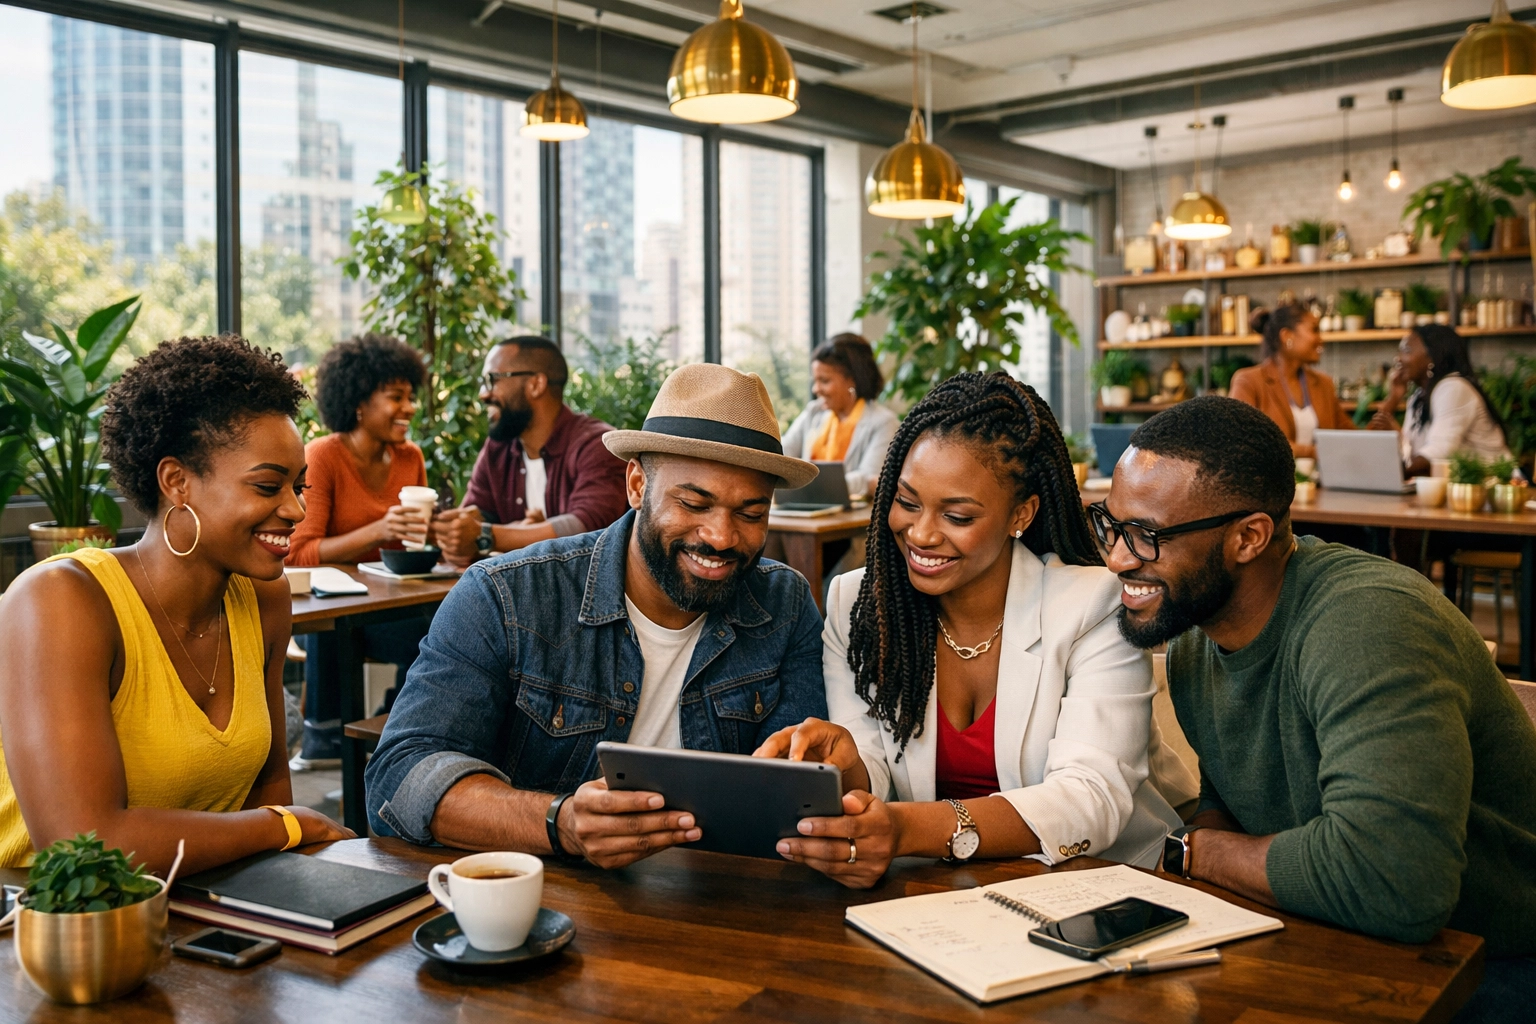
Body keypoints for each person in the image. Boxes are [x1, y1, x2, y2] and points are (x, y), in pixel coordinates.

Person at [1098, 395, 1536, 1016]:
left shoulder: (1368, 623)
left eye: (1146, 535)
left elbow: (1394, 883)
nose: (1117, 557)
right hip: (1337, 936)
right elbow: (1236, 803)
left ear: (1249, 536)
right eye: (1111, 525)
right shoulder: (1200, 635)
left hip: (1492, 961)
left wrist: (1198, 853)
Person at [366, 364, 829, 868]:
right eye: (694, 503)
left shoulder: (783, 605)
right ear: (636, 484)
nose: (720, 536)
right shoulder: (505, 596)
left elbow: (795, 799)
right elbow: (399, 778)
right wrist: (557, 822)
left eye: (750, 514)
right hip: (542, 901)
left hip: (718, 907)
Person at [756, 372, 1194, 888]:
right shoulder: (860, 605)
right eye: (908, 501)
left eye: (957, 516)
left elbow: (1089, 798)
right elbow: (877, 768)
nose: (920, 533)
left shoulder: (1091, 605)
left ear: (1021, 514)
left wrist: (905, 829)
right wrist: (847, 767)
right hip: (941, 893)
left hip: (1103, 885)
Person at [0, 335, 352, 874]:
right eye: (267, 486)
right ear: (176, 482)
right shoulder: (60, 601)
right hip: (48, 927)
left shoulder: (264, 597)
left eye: (299, 486)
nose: (295, 509)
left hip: (198, 903)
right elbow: (79, 847)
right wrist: (284, 826)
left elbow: (268, 785)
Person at [285, 334, 434, 764]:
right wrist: (377, 530)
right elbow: (299, 552)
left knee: (447, 626)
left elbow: (414, 543)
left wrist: (438, 531)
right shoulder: (324, 456)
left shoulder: (410, 457)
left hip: (395, 602)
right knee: (426, 635)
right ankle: (339, 737)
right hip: (339, 611)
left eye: (411, 397)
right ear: (359, 402)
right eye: (396, 397)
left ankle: (395, 724)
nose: (409, 408)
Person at [433, 336, 628, 563]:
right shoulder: (499, 448)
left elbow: (587, 530)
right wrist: (459, 533)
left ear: (536, 385)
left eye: (493, 379)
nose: (483, 394)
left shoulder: (595, 445)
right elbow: (475, 517)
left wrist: (487, 536)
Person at [1370, 324, 1509, 476]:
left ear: (1432, 357)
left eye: (1407, 351)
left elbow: (1437, 454)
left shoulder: (1453, 388)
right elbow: (1410, 454)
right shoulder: (1418, 397)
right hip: (1455, 488)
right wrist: (1394, 398)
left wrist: (1384, 474)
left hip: (1496, 486)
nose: (1398, 358)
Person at [780, 334, 898, 499]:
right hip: (807, 514)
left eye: (825, 381)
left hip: (851, 521)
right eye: (815, 380)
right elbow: (781, 455)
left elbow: (870, 480)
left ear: (852, 380)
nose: (816, 389)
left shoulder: (884, 423)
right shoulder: (813, 412)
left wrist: (806, 485)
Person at [1229, 304, 1353, 460]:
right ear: (1287, 336)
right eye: (1314, 330)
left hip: (1321, 483)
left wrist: (1391, 402)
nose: (1321, 339)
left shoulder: (1324, 384)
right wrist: (1313, 452)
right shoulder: (1249, 382)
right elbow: (1243, 441)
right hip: (1272, 483)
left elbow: (1351, 438)